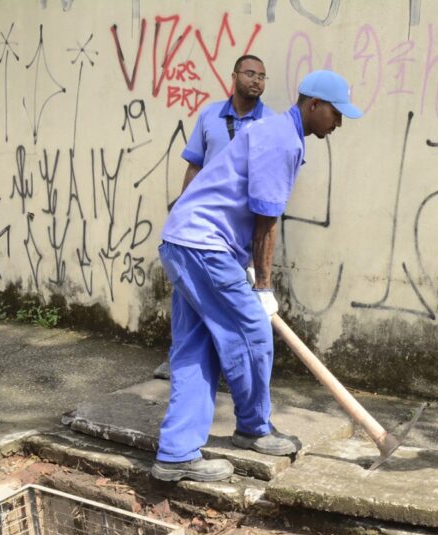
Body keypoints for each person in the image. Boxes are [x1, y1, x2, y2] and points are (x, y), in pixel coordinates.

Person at [151, 70, 363, 483]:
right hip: (203, 247)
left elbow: (245, 208)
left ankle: (175, 452)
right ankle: (252, 428)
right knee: (252, 334)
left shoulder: (275, 133)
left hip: (186, 241)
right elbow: (266, 220)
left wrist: (243, 261)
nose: (338, 123)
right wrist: (263, 286)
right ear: (314, 105)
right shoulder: (281, 139)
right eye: (336, 114)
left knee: (198, 348)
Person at [154, 54, 270, 380]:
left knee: (232, 299)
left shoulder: (269, 124)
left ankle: (230, 368)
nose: (256, 80)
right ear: (234, 76)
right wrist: (183, 207)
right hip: (200, 225)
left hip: (238, 227)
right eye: (250, 73)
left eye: (262, 76)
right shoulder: (209, 116)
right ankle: (181, 359)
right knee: (187, 294)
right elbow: (195, 165)